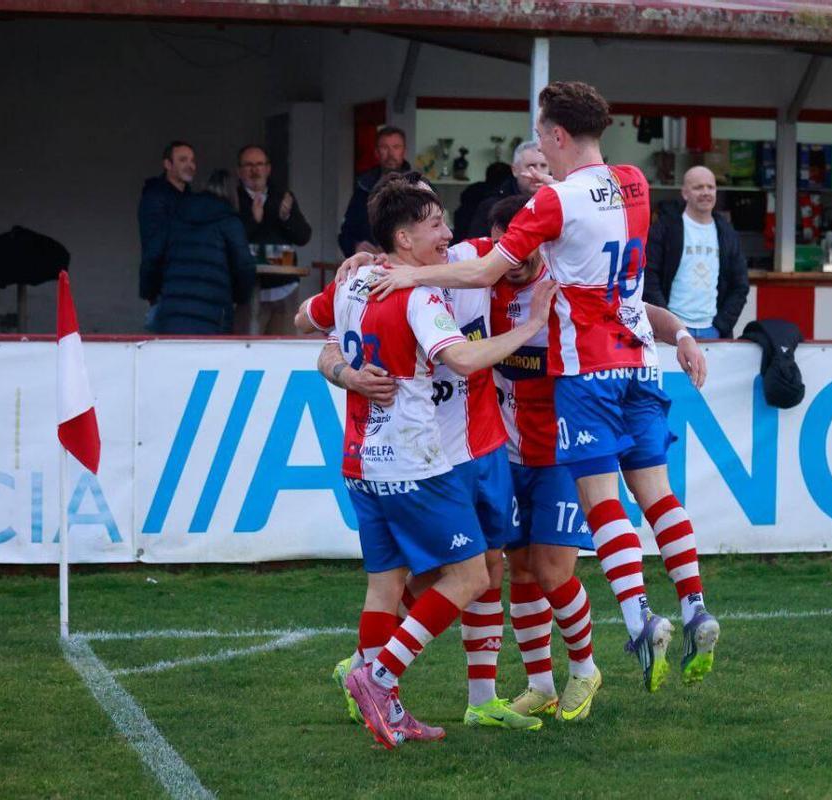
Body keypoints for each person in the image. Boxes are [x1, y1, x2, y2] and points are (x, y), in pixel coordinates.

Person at [370, 81, 719, 693]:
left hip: (587, 368)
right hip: (640, 359)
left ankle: (638, 619)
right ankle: (694, 605)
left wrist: (409, 276)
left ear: (558, 136)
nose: (539, 155)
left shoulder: (556, 201)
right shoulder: (635, 182)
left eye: (540, 139)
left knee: (602, 501)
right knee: (659, 496)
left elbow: (482, 268)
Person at [319, 179, 558, 749]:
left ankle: (423, 700)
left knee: (405, 581)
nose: (448, 234)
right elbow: (461, 356)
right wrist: (529, 327)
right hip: (421, 458)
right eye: (434, 223)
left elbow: (315, 324)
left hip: (385, 458)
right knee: (470, 576)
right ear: (404, 237)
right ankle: (375, 677)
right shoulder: (413, 291)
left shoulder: (366, 277)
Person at [140, 169, 255, 334]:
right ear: (232, 193)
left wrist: (150, 293)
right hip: (214, 316)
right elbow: (244, 266)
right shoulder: (229, 221)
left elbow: (152, 257)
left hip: (172, 312)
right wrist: (239, 297)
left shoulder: (177, 214)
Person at [643, 165, 748, 338]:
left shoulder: (728, 233)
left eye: (710, 187)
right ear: (685, 193)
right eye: (698, 187)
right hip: (673, 331)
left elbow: (740, 285)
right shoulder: (664, 229)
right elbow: (650, 278)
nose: (706, 192)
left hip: (713, 331)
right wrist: (667, 324)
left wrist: (721, 326)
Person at [234, 145, 313, 335]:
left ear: (268, 169)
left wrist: (287, 217)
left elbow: (303, 236)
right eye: (249, 165)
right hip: (247, 288)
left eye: (260, 164)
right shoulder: (233, 198)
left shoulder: (282, 196)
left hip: (283, 287)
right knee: (246, 348)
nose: (255, 170)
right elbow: (231, 239)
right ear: (239, 171)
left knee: (281, 350)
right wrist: (254, 219)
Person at [138, 141, 195, 319]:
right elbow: (154, 246)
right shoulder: (154, 198)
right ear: (168, 164)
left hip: (187, 282)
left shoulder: (190, 198)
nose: (190, 165)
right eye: (183, 160)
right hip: (166, 285)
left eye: (192, 160)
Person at [338, 126, 410, 256]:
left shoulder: (418, 185)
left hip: (407, 266)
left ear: (404, 151)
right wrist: (356, 246)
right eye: (384, 148)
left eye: (396, 147)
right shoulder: (364, 186)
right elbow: (345, 233)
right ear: (376, 152)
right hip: (369, 264)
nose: (390, 154)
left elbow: (432, 232)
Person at [465, 142, 550, 238]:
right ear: (514, 170)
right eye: (531, 166)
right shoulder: (492, 206)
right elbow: (476, 247)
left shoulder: (558, 201)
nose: (537, 172)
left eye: (543, 166)